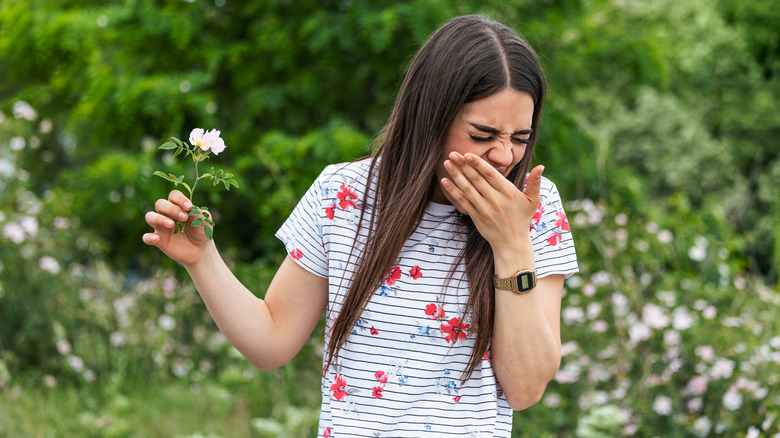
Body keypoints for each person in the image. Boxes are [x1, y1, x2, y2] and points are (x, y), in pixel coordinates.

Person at [143, 14, 578, 437]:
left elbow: (524, 389)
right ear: (431, 117)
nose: (504, 156)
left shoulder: (536, 208)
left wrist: (511, 244)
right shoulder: (344, 193)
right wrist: (202, 260)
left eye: (520, 137)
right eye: (483, 134)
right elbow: (271, 341)